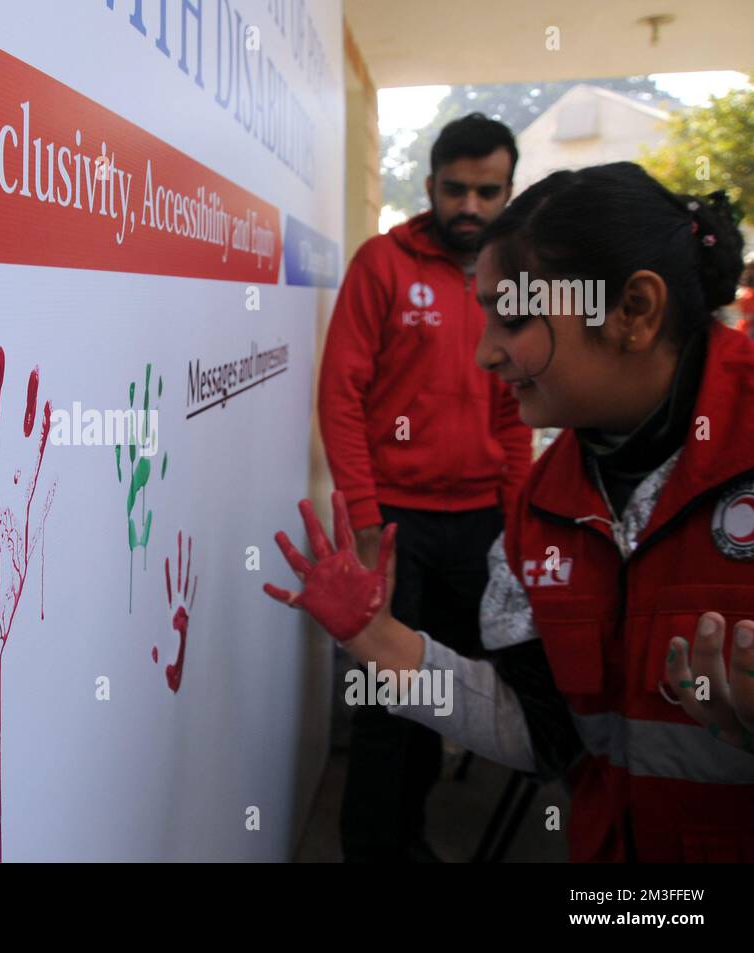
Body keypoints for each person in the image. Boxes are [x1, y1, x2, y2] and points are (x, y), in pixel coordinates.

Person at [269, 161, 754, 862]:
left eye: (516, 317)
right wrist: (379, 640)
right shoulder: (541, 512)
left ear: (634, 313)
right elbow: (540, 730)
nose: (485, 351)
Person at [317, 112, 532, 862]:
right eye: (454, 189)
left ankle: (405, 839)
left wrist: (520, 517)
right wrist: (367, 516)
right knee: (384, 700)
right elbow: (339, 394)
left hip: (478, 526)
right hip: (396, 522)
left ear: (509, 190)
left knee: (446, 697)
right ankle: (373, 850)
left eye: (487, 190)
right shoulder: (382, 263)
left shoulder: (508, 280)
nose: (469, 206)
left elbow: (514, 411)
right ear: (429, 184)